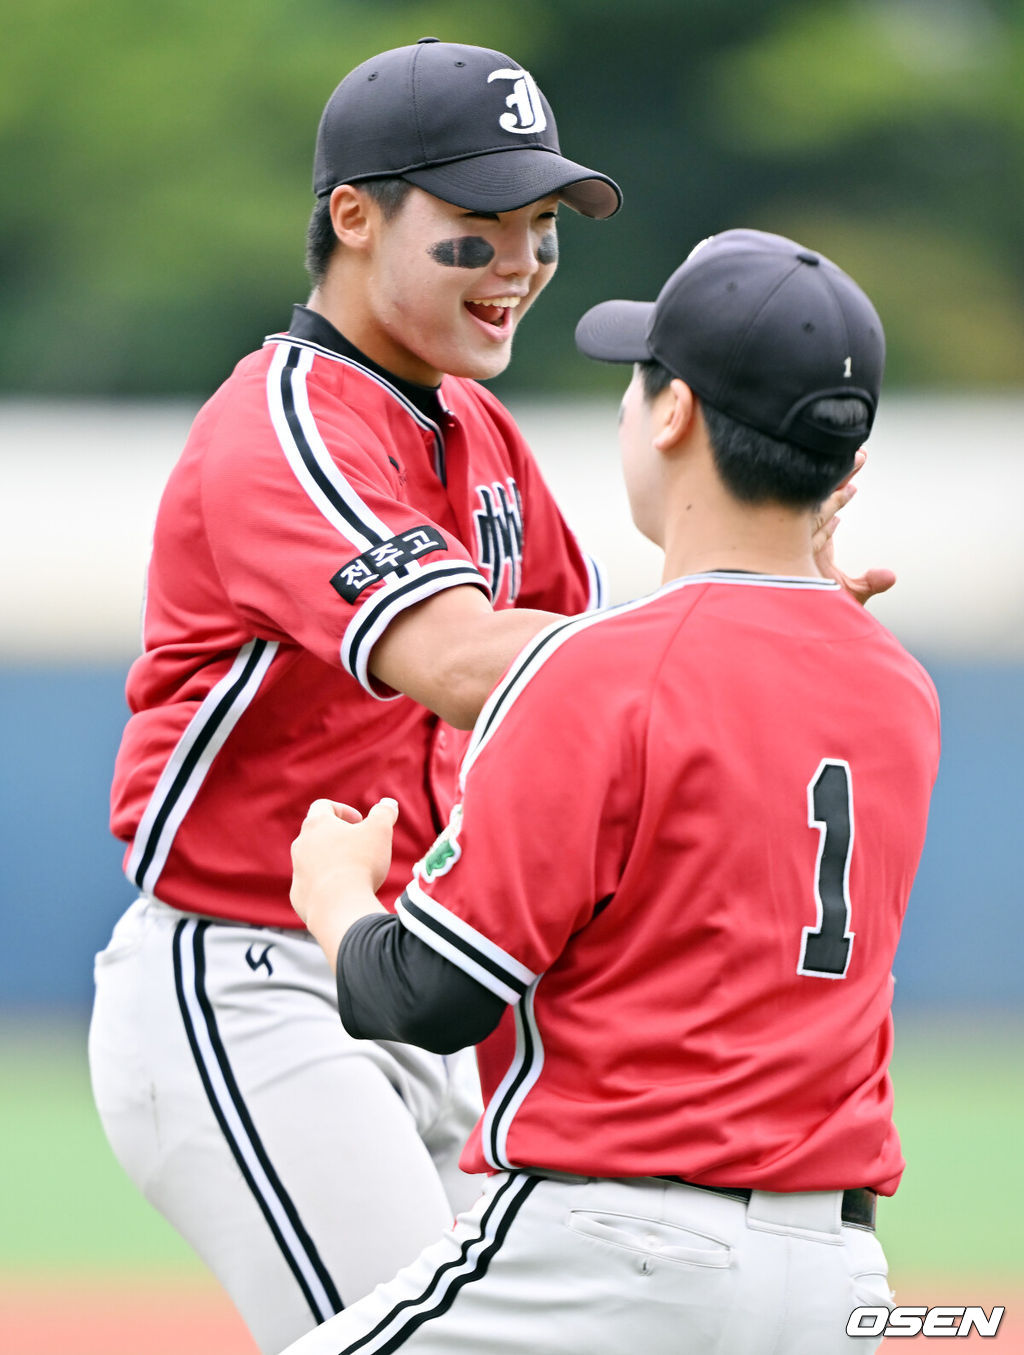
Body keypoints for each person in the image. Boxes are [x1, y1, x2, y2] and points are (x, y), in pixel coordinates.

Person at [281, 228, 940, 1355]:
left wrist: (336, 895)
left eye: (638, 385)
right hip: (840, 1280)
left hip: (607, 1257)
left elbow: (428, 996)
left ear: (673, 413)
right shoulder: (900, 687)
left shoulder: (596, 670)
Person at [88, 37, 625, 1355]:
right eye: (481, 224)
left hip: (411, 981)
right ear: (353, 213)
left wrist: (769, 610)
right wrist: (742, 637)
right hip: (248, 981)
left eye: (543, 224)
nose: (522, 261)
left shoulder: (476, 430)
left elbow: (589, 674)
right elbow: (459, 660)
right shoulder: (288, 418)